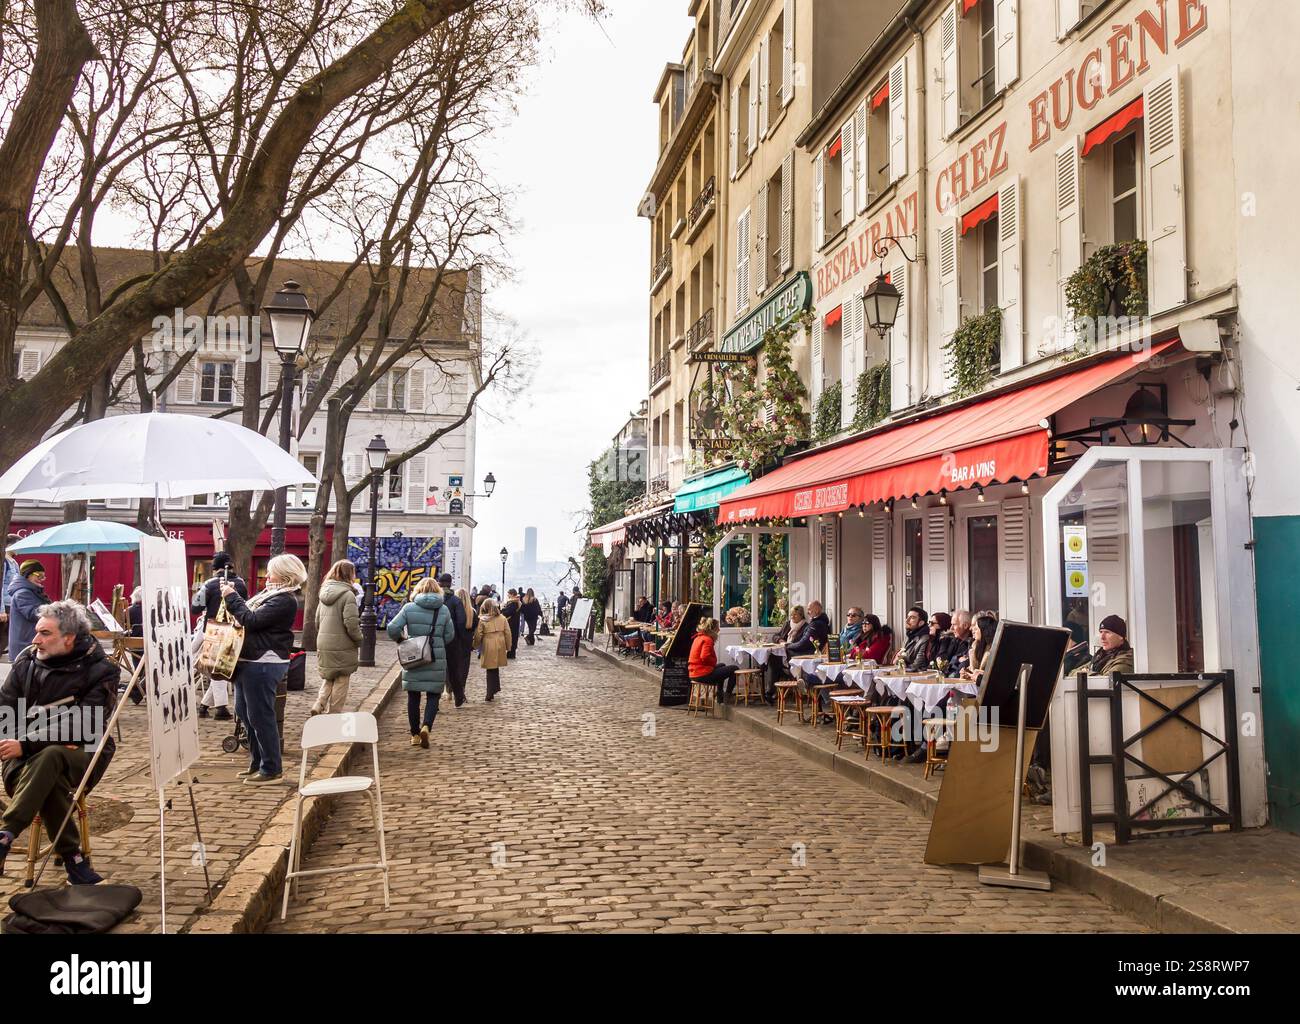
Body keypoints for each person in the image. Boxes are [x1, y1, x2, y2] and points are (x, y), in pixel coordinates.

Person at [0, 601, 117, 883]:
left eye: (44, 633)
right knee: (51, 764)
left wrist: (28, 742)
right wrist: (37, 739)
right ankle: (74, 860)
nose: (35, 639)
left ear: (69, 638)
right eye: (37, 632)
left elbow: (86, 725)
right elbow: (5, 713)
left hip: (82, 759)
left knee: (51, 756)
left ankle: (5, 834)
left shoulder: (101, 670)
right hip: (21, 763)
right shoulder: (27, 661)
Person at [221, 553, 305, 784]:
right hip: (248, 660)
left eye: (271, 571)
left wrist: (232, 596)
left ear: (285, 575)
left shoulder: (284, 600)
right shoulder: (269, 595)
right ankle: (257, 762)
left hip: (264, 661)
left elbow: (252, 620)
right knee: (245, 712)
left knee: (261, 716)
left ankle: (271, 769)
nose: (267, 575)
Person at [387, 578, 454, 745]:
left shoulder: (409, 608)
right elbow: (450, 635)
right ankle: (427, 727)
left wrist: (403, 641)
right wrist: (437, 641)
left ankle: (415, 735)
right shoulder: (443, 609)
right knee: (433, 695)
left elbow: (392, 628)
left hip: (413, 655)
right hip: (436, 657)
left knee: (413, 696)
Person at [311, 560, 363, 716]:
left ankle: (319, 703)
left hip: (324, 641)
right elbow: (351, 623)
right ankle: (333, 714)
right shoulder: (348, 595)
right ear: (349, 574)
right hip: (343, 643)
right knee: (342, 679)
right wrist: (359, 639)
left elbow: (317, 620)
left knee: (329, 675)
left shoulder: (324, 592)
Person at [437, 574, 471, 707]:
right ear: (450, 584)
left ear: (439, 584)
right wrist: (460, 637)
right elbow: (461, 621)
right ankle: (458, 697)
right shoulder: (456, 601)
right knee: (453, 668)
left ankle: (434, 700)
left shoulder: (435, 599)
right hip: (452, 640)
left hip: (435, 639)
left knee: (436, 669)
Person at [6, 561, 50, 657]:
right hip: (25, 645)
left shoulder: (32, 591)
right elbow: (33, 613)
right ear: (27, 574)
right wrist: (53, 609)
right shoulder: (22, 593)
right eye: (39, 575)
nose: (41, 579)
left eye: (43, 576)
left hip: (30, 642)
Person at [688, 617, 736, 703]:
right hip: (702, 674)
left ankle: (720, 696)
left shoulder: (698, 637)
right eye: (717, 627)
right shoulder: (707, 639)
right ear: (713, 629)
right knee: (734, 668)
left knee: (722, 665)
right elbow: (705, 657)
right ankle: (727, 695)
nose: (719, 629)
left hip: (694, 672)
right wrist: (713, 662)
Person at [472, 598, 510, 701]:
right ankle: (495, 688)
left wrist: (475, 645)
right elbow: (507, 633)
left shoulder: (482, 620)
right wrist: (508, 646)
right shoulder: (502, 618)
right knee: (495, 666)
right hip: (500, 643)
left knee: (490, 668)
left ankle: (490, 692)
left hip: (489, 643)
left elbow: (479, 634)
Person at [194, 552, 248, 622]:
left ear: (215, 569)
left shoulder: (209, 584)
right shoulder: (241, 583)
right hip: (235, 628)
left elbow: (195, 609)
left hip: (214, 629)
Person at [962, 612, 999, 682]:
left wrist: (978, 677)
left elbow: (993, 679)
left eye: (976, 629)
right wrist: (967, 674)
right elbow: (975, 672)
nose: (973, 631)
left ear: (984, 631)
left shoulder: (995, 651)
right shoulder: (977, 648)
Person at [0, 534, 20, 658]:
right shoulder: (4, 563)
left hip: (12, 603)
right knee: (2, 634)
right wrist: (1, 610)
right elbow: (1, 586)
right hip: (5, 603)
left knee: (7, 634)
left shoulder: (14, 563)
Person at [898, 606, 930, 671]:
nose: (907, 620)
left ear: (921, 623)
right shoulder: (908, 635)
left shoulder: (925, 638)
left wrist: (901, 663)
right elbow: (899, 660)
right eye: (907, 617)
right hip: (906, 672)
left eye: (912, 618)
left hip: (919, 675)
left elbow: (917, 665)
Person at [946, 610, 974, 677]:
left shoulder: (972, 643)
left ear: (965, 625)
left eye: (954, 624)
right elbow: (946, 662)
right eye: (951, 624)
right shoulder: (954, 641)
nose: (951, 628)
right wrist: (958, 658)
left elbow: (964, 664)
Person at [501, 589, 522, 658]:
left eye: (508, 594)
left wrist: (502, 610)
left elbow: (509, 612)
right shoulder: (516, 602)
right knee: (512, 638)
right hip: (514, 622)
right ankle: (510, 653)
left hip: (512, 622)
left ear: (512, 594)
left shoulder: (514, 602)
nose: (507, 595)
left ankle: (511, 654)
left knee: (512, 638)